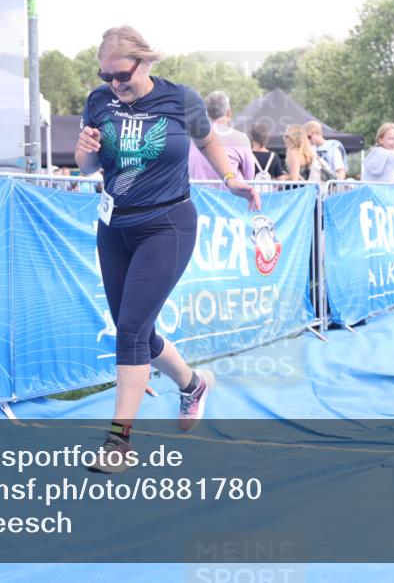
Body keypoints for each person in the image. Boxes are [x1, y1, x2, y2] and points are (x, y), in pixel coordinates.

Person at [75, 26, 260, 473]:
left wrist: (232, 180)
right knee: (132, 328)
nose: (113, 85)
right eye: (105, 77)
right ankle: (193, 384)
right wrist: (84, 152)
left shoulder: (181, 100)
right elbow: (90, 166)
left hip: (168, 224)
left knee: (131, 331)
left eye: (121, 75)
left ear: (145, 62)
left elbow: (208, 141)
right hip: (114, 224)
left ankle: (118, 444)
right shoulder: (99, 102)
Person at [188, 90, 256, 183]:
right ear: (228, 113)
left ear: (206, 113)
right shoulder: (241, 138)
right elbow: (249, 177)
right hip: (230, 196)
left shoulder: (192, 138)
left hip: (199, 196)